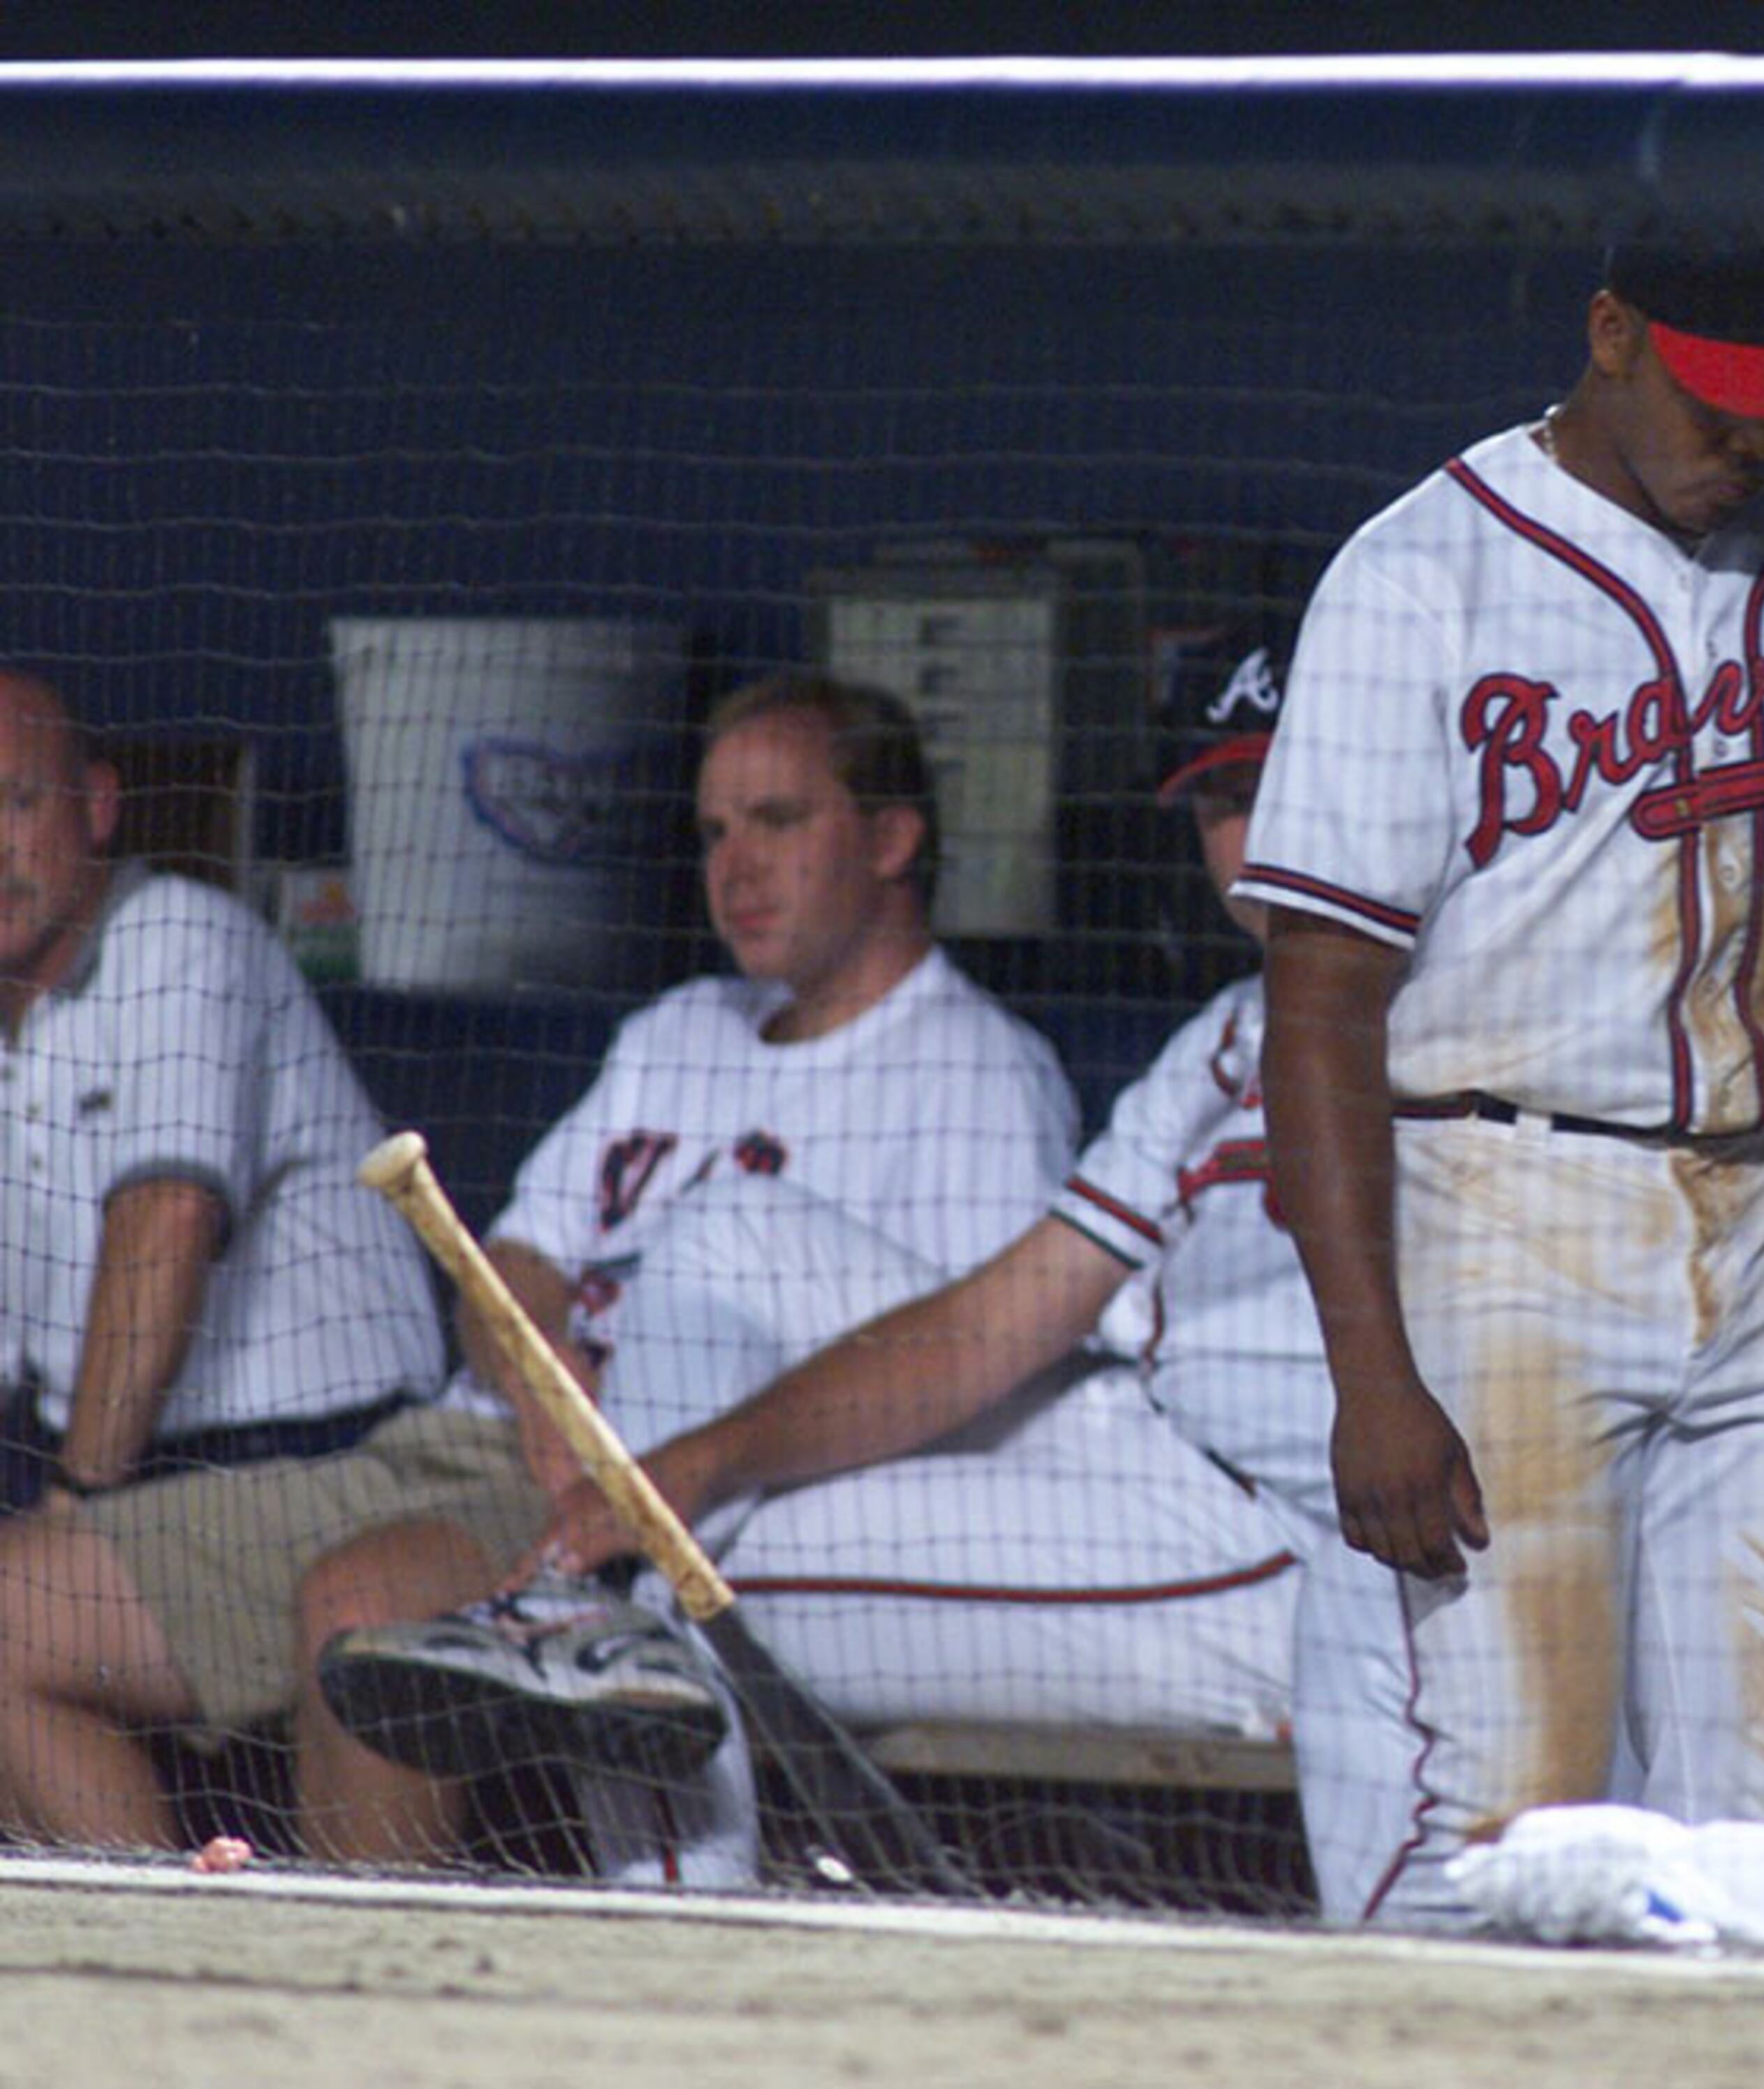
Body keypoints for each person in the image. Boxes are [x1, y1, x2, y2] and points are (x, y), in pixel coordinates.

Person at [324, 629, 1397, 1905]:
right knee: (726, 1238)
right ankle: (651, 1798)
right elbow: (998, 1321)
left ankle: (667, 1917)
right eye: (1223, 801)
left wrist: (668, 1501)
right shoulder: (1220, 1037)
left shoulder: (1470, 1015)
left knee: (677, 1600)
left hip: (1292, 1550)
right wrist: (677, 1471)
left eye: (1287, 782)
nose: (1255, 833)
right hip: (1132, 1448)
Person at [0, 671, 1075, 1861]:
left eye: (779, 821)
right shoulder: (678, 1030)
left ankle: (372, 2018)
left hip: (679, 1499)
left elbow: (970, 1383)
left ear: (891, 837)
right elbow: (510, 1260)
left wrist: (653, 1447)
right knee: (17, 1605)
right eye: (714, 831)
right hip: (457, 1442)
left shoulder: (977, 1069)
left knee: (364, 1617)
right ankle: (170, 2006)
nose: (736, 866)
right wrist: (534, 1356)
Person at [1227, 244, 1764, 1925]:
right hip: (1501, 1210)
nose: (1763, 444)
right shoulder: (1418, 574)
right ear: (1612, 334)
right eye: (1730, 400)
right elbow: (1323, 1002)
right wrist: (1371, 1373)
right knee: (1514, 1819)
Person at [0, 669, 444, 1508]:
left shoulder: (183, 939)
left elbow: (169, 1213)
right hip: (100, 1455)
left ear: (95, 806)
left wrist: (71, 1512)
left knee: (26, 1613)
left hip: (315, 1452)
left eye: (16, 804)